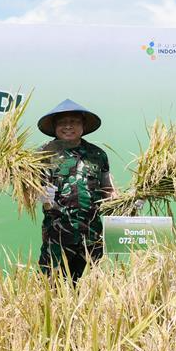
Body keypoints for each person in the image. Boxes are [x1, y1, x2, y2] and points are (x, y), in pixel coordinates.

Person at [36, 99, 114, 282]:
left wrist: (126, 202)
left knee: (92, 287)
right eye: (62, 122)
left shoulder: (98, 154)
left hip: (91, 235)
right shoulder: (42, 154)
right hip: (57, 235)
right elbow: (29, 189)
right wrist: (41, 196)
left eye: (74, 122)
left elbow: (108, 189)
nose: (68, 126)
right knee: (51, 287)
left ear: (83, 125)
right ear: (54, 126)